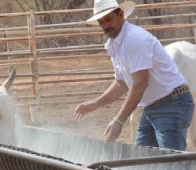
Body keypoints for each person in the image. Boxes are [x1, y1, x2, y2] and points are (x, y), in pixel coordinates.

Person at [74, 0, 194, 151]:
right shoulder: (114, 44)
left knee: (171, 162)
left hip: (172, 103)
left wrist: (119, 120)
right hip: (155, 106)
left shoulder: (135, 39)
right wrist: (96, 103)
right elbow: (122, 83)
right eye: (101, 22)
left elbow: (140, 83)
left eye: (109, 19)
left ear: (121, 14)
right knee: (141, 159)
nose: (105, 25)